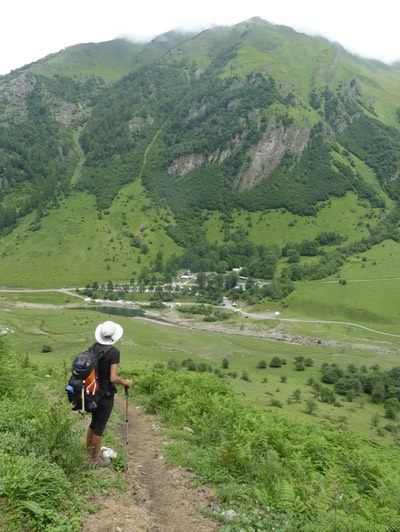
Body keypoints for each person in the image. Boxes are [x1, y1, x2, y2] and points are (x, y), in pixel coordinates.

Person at [86, 320, 132, 467]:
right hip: (105, 394)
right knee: (100, 426)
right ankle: (94, 459)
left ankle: (88, 452)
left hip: (93, 391)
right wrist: (125, 382)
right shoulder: (114, 352)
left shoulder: (93, 347)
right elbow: (113, 378)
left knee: (93, 423)